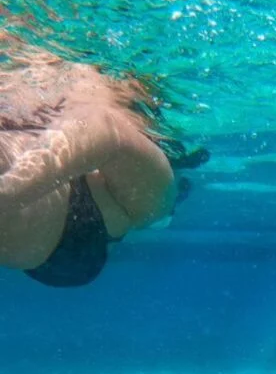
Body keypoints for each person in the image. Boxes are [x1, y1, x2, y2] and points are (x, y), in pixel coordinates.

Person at [0, 35, 207, 287]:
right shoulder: (151, 205)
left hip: (59, 236)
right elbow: (105, 130)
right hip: (67, 229)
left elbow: (101, 129)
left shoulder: (144, 204)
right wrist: (8, 193)